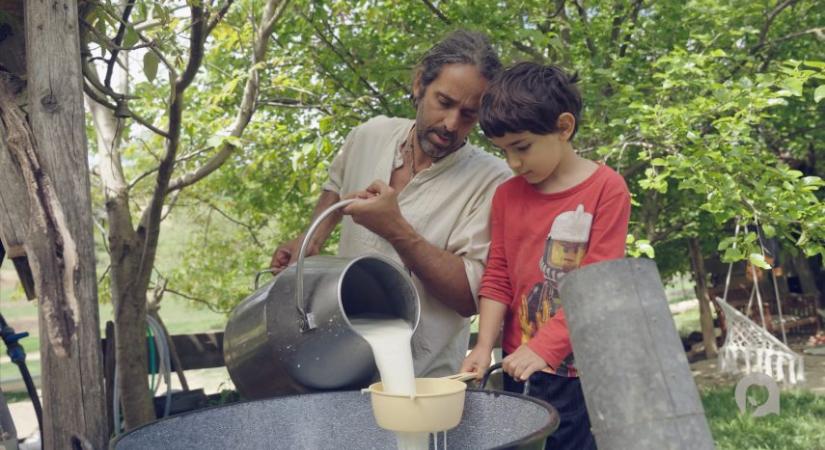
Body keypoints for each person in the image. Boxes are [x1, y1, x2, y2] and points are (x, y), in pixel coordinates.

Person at [270, 30, 511, 377]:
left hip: (426, 382)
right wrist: (311, 239)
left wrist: (396, 229)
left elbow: (468, 298)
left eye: (469, 115)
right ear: (418, 84)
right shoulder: (370, 135)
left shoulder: (493, 181)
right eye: (444, 102)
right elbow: (336, 186)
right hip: (339, 367)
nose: (451, 124)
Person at [460, 62, 631, 450]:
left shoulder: (607, 189)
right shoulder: (507, 195)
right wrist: (484, 346)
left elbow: (596, 285)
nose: (514, 164)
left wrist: (543, 347)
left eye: (522, 148)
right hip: (519, 365)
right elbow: (498, 275)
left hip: (576, 372)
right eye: (503, 152)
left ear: (564, 127)